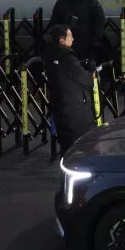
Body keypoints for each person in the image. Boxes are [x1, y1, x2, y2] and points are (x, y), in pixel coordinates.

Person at [44, 25, 96, 155]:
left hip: (59, 105)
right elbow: (84, 78)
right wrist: (92, 74)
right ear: (61, 40)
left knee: (65, 144)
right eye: (70, 36)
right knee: (80, 144)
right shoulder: (67, 57)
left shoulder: (50, 56)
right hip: (75, 108)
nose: (72, 39)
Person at [50, 0, 106, 64]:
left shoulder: (91, 2)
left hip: (87, 44)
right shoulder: (61, 4)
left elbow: (99, 20)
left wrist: (96, 39)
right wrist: (60, 39)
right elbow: (54, 24)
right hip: (67, 46)